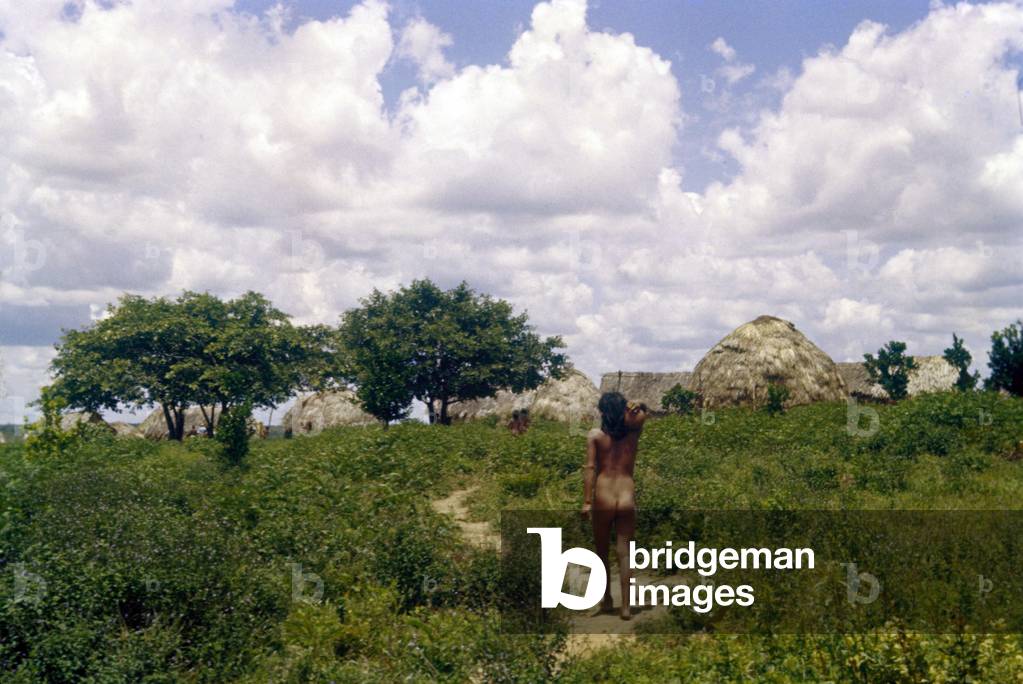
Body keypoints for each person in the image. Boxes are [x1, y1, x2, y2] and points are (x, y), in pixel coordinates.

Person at [581, 392, 649, 620]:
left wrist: (587, 501)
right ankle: (626, 607)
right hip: (626, 494)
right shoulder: (633, 434)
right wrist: (637, 405)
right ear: (623, 411)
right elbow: (643, 414)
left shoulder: (595, 436)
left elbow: (590, 468)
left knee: (601, 551)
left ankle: (607, 600)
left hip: (603, 495)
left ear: (601, 412)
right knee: (625, 552)